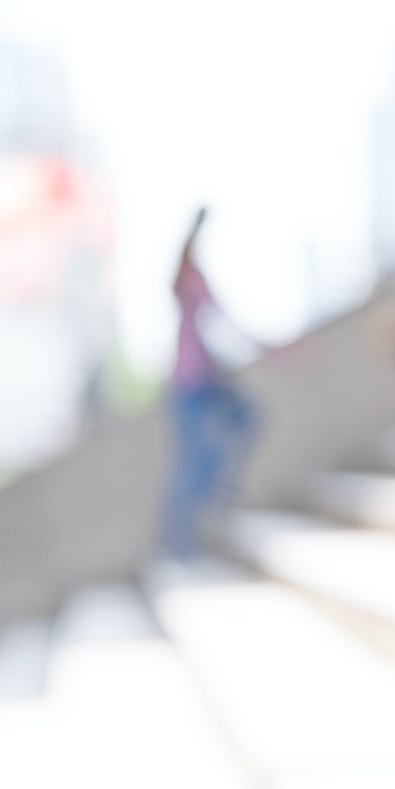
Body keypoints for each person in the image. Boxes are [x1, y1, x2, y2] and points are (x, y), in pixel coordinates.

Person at [160, 208, 259, 560]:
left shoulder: (198, 279)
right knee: (194, 461)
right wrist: (194, 226)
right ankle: (180, 544)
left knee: (248, 418)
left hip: (209, 377)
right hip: (190, 381)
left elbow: (224, 319)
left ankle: (221, 488)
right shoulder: (185, 279)